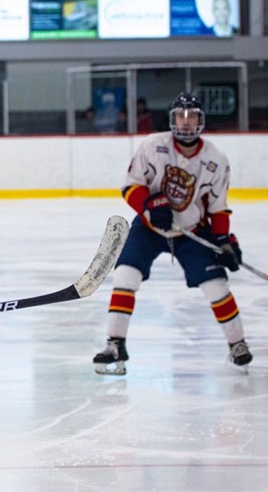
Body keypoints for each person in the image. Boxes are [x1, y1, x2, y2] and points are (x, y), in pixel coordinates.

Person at [92, 92, 252, 375]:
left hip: (191, 231)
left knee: (216, 285)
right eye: (181, 116)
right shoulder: (154, 145)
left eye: (192, 117)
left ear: (201, 121)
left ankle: (237, 344)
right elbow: (131, 186)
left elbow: (217, 207)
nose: (186, 123)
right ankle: (116, 343)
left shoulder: (216, 159)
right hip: (150, 228)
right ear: (172, 119)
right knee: (125, 275)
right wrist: (149, 205)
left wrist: (224, 241)